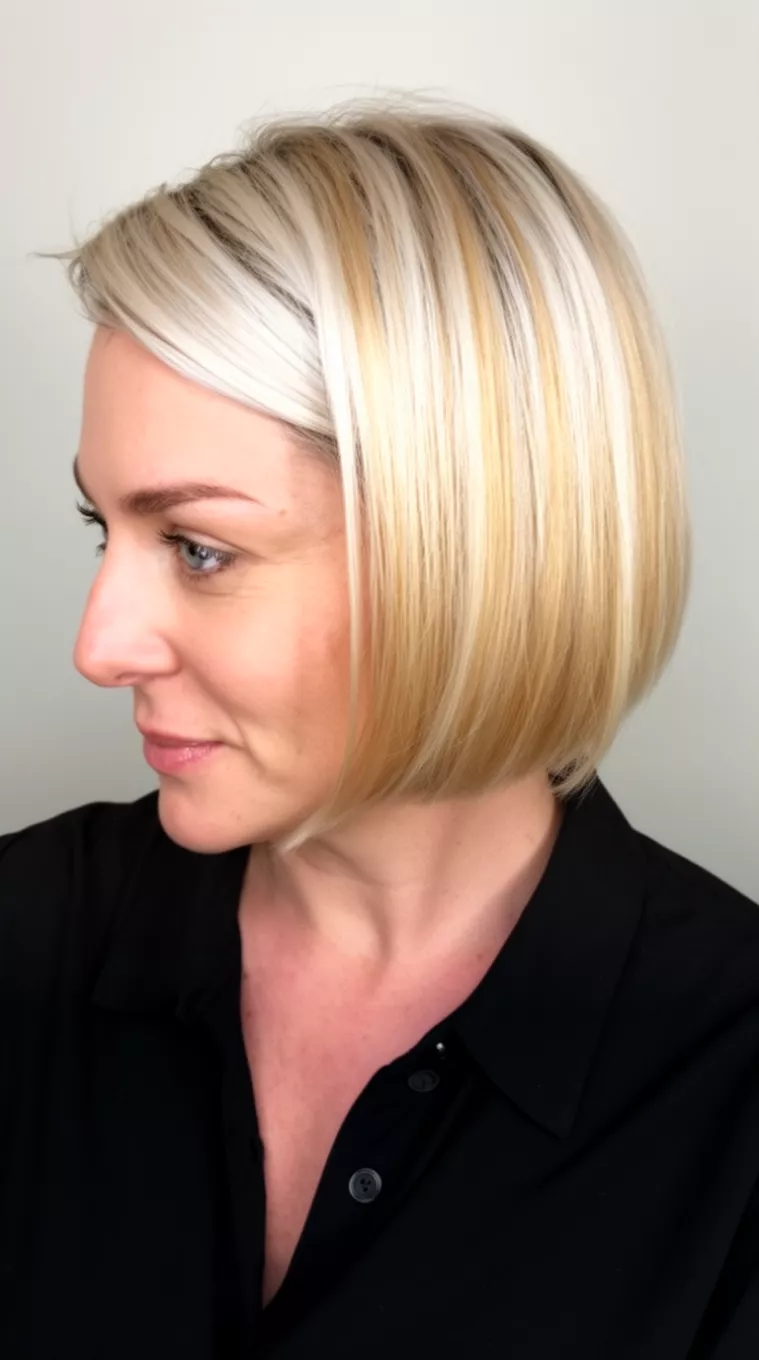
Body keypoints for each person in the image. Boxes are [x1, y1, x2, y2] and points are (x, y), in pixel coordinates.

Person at [1, 92, 757, 1359]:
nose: (97, 645)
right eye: (104, 528)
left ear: (475, 553)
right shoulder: (27, 933)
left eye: (198, 547)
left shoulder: (727, 1085)